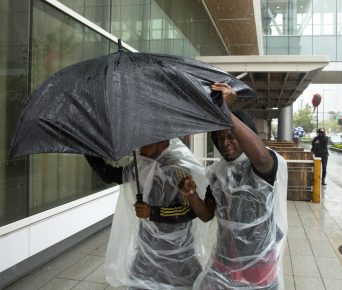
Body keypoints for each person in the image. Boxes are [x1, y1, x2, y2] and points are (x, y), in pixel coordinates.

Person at [179, 83, 288, 290]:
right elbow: (206, 214)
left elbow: (262, 158)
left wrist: (225, 111)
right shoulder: (218, 173)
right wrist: (192, 194)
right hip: (225, 259)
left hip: (258, 262)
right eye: (219, 138)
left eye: (231, 136)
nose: (225, 142)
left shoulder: (260, 166)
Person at [85, 139, 208, 290]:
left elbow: (189, 211)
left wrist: (152, 212)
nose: (139, 149)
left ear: (162, 144)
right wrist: (86, 147)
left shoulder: (178, 170)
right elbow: (110, 175)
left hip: (176, 253)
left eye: (145, 144)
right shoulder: (141, 166)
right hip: (147, 250)